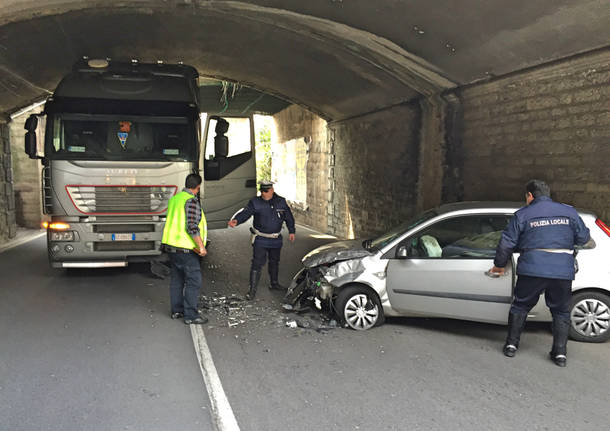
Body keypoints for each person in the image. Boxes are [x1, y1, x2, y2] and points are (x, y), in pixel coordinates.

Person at [490, 179, 590, 367]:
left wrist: (499, 265)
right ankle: (560, 354)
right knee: (561, 311)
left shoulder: (523, 214)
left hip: (532, 269)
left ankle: (511, 345)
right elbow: (584, 237)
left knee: (520, 306)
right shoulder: (569, 212)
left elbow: (506, 243)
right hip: (562, 271)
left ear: (530, 195)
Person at [228, 181, 295, 300]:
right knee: (257, 263)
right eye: (262, 191)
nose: (264, 194)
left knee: (274, 262)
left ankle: (274, 283)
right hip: (260, 238)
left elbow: (288, 216)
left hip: (275, 239)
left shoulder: (281, 202)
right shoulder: (255, 202)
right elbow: (246, 213)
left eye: (266, 191)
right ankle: (252, 290)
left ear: (272, 190)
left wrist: (292, 231)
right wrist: (236, 220)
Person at [161, 173, 208, 324]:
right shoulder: (191, 201)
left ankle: (177, 311)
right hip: (186, 249)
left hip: (171, 246)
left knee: (177, 279)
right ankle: (191, 315)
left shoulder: (175, 199)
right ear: (197, 187)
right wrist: (201, 247)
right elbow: (192, 227)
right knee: (194, 281)